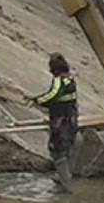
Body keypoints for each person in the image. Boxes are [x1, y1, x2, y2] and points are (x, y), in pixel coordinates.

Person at [33, 52, 79, 193]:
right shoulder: (70, 79)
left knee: (56, 149)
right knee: (67, 147)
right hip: (71, 117)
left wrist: (38, 100)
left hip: (60, 119)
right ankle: (63, 176)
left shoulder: (59, 80)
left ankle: (65, 184)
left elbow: (54, 94)